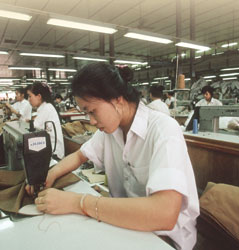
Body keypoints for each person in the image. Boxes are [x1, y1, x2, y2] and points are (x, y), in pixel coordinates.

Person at [26, 63, 199, 250]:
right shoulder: (110, 131)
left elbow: (164, 214)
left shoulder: (163, 130)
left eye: (92, 111)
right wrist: (48, 175)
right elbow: (79, 156)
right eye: (85, 112)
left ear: (118, 100)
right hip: (127, 227)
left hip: (164, 239)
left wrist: (79, 203)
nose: (91, 121)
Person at [27, 82, 65, 159]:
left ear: (38, 96)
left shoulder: (47, 108)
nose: (29, 99)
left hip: (54, 154)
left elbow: (33, 129)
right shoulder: (45, 107)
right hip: (49, 149)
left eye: (30, 96)